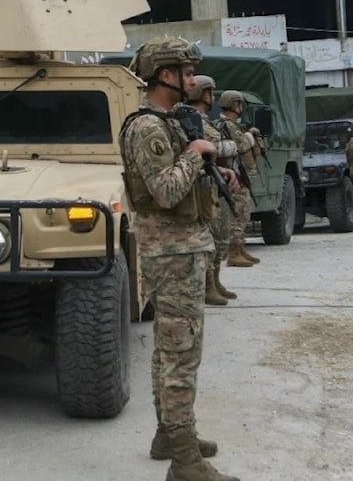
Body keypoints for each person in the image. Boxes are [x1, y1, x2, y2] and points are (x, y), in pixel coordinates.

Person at [119, 35, 241, 481]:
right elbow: (166, 192)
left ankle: (170, 437)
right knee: (180, 354)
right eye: (186, 72)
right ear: (165, 75)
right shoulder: (148, 127)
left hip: (182, 247)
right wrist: (194, 156)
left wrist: (213, 171)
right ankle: (185, 461)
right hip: (172, 251)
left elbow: (180, 181)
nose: (192, 79)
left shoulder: (167, 121)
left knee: (170, 349)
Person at [186, 75, 241, 305]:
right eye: (210, 93)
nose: (213, 98)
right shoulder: (196, 120)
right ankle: (209, 285)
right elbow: (210, 148)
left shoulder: (205, 120)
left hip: (218, 181)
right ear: (203, 94)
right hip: (207, 185)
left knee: (220, 238)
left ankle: (215, 282)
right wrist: (231, 146)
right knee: (213, 238)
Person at [217, 90, 263, 266]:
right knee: (238, 215)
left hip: (240, 175)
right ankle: (234, 253)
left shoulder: (233, 125)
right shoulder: (227, 125)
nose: (241, 108)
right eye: (240, 104)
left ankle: (240, 248)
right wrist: (251, 135)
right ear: (235, 105)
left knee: (244, 214)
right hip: (235, 176)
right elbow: (242, 145)